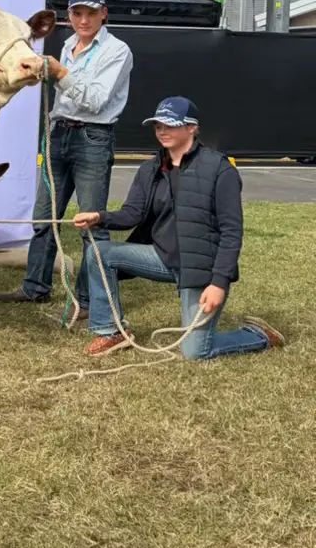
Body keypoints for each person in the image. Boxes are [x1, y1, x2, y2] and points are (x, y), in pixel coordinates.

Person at [74, 97, 285, 359]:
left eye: (170, 125)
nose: (162, 131)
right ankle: (110, 331)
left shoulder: (219, 169)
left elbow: (232, 231)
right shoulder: (150, 168)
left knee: (196, 352)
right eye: (158, 125)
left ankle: (259, 335)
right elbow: (132, 214)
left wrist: (218, 283)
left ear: (191, 128)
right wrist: (99, 217)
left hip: (201, 270)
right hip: (162, 259)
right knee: (99, 252)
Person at [0, 0, 133, 312]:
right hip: (60, 134)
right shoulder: (68, 44)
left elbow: (98, 101)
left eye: (91, 13)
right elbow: (66, 90)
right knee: (44, 218)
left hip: (93, 138)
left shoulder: (118, 50)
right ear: (69, 16)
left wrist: (58, 72)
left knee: (90, 224)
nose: (83, 20)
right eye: (77, 13)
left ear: (104, 14)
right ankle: (35, 287)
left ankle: (88, 301)